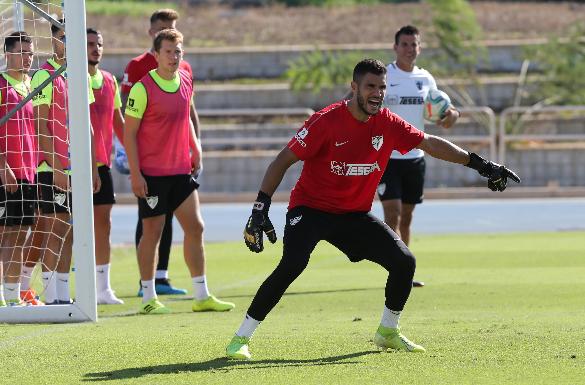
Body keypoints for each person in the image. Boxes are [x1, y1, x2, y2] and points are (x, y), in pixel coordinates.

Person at [226, 58, 520, 359]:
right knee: (293, 265)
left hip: (353, 215)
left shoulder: (388, 123)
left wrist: (484, 165)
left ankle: (387, 331)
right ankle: (240, 339)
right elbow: (282, 160)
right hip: (311, 208)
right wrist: (259, 210)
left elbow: (429, 143)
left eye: (382, 87)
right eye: (370, 86)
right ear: (354, 87)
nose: (377, 93)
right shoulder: (326, 121)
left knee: (405, 262)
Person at [124, 29, 233, 314]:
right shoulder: (142, 87)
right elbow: (129, 134)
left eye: (178, 52)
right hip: (153, 175)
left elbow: (186, 119)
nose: (174, 57)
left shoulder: (185, 80)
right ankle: (148, 297)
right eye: (169, 52)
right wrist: (136, 174)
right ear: (157, 55)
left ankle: (202, 295)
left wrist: (195, 147)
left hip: (181, 170)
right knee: (153, 232)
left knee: (196, 227)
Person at [120, 8, 199, 297]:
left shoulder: (186, 71)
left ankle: (166, 279)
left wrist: (196, 144)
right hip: (151, 162)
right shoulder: (139, 68)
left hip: (178, 162)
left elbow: (188, 112)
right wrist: (133, 163)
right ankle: (147, 288)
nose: (174, 54)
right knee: (152, 225)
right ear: (152, 36)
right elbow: (128, 114)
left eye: (173, 29)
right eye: (162, 29)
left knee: (190, 225)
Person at [378, 25, 460, 287]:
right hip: (387, 157)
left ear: (419, 48)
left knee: (408, 216)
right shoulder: (385, 75)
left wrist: (452, 116)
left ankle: (403, 268)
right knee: (392, 213)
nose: (409, 49)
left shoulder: (425, 79)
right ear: (395, 47)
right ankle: (394, 269)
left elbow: (443, 108)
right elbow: (355, 98)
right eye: (404, 44)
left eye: (414, 45)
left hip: (415, 155)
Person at [32, 20, 100, 305]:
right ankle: (50, 297)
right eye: (63, 37)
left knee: (70, 231)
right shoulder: (43, 75)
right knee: (54, 229)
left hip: (78, 167)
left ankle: (63, 293)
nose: (68, 42)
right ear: (53, 41)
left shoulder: (80, 75)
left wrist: (94, 167)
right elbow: (40, 127)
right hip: (52, 168)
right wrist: (57, 167)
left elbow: (88, 126)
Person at [87, 27, 125, 305]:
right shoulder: (70, 78)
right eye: (89, 44)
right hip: (73, 165)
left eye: (98, 44)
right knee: (64, 227)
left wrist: (135, 158)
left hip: (102, 164)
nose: (95, 48)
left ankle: (103, 288)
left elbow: (118, 122)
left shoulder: (110, 80)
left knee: (104, 224)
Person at [0, 31, 37, 306]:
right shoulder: (1, 85)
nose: (28, 57)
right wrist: (3, 166)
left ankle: (11, 299)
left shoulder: (30, 85)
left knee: (19, 234)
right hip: (6, 173)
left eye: (31, 52)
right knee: (3, 234)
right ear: (7, 54)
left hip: (28, 172)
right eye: (22, 51)